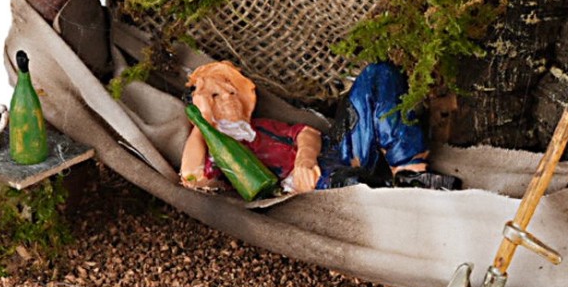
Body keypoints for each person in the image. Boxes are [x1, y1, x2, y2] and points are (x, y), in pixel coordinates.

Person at [180, 60, 457, 193]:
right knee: (351, 184)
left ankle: (411, 174)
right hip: (317, 182)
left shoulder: (260, 127)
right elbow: (191, 178)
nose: (229, 99)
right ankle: (400, 200)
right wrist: (201, 123)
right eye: (216, 96)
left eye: (231, 91)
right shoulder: (217, 152)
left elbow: (307, 132)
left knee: (378, 75)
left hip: (335, 152)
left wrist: (305, 158)